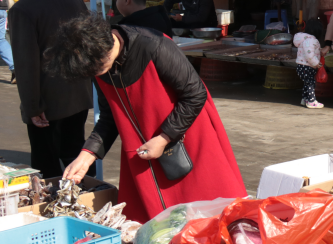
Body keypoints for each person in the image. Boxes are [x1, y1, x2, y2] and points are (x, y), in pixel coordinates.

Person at [51, 15, 247, 223]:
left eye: (98, 68)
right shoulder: (97, 62)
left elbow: (195, 94)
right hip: (143, 153)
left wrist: (164, 138)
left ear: (106, 44)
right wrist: (87, 153)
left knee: (210, 218)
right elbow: (110, 116)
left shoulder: (154, 45)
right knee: (155, 227)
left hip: (187, 139)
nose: (97, 74)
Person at [0, 0, 95, 179]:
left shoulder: (22, 9)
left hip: (47, 104)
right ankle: (91, 195)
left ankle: (54, 206)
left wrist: (32, 107)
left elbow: (25, 64)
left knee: (47, 164)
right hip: (79, 94)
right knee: (75, 154)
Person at [295, 19, 325, 109]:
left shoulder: (306, 39)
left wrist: (320, 52)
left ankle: (305, 99)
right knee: (311, 83)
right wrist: (316, 63)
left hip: (302, 66)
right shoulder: (311, 40)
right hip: (307, 67)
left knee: (306, 83)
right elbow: (309, 55)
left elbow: (312, 51)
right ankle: (311, 101)